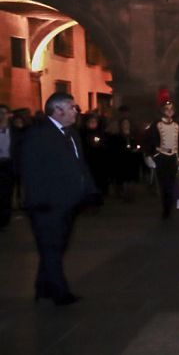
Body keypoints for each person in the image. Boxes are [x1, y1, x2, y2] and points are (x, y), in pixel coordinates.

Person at [19, 93, 98, 305]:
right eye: (72, 107)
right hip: (46, 204)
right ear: (57, 110)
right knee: (51, 247)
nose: (76, 111)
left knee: (58, 246)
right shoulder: (38, 134)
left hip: (70, 202)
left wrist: (89, 190)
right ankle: (59, 292)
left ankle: (43, 286)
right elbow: (30, 171)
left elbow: (80, 164)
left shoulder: (72, 134)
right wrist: (37, 200)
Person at [146, 100, 179, 219]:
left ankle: (169, 205)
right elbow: (150, 140)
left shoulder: (178, 124)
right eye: (167, 109)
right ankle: (165, 207)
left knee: (171, 183)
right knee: (163, 184)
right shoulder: (156, 124)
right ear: (162, 111)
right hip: (161, 156)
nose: (169, 111)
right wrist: (149, 155)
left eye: (171, 109)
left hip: (173, 157)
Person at [0, 105, 15, 228]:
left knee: (7, 192)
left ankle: (5, 219)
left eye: (5, 113)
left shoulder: (14, 131)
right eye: (0, 113)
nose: (2, 116)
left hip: (8, 164)